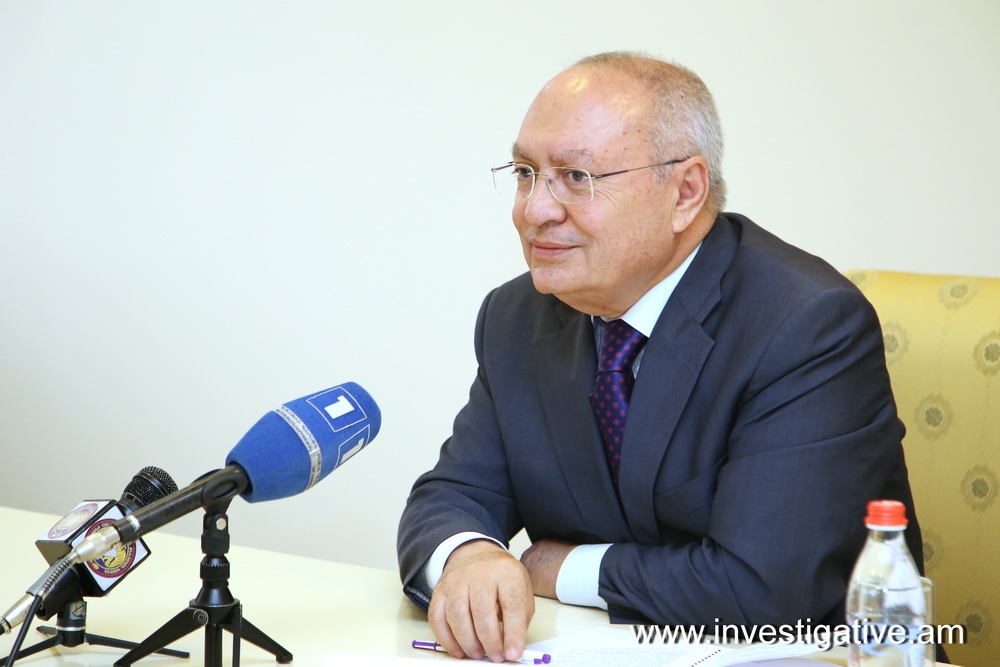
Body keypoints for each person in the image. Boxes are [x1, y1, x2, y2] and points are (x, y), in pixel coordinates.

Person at [396, 51, 923, 664]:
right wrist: (470, 556)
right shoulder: (518, 316)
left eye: (576, 177)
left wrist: (561, 568)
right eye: (525, 172)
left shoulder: (804, 324)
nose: (534, 209)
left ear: (685, 192)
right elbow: (451, 495)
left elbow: (764, 589)